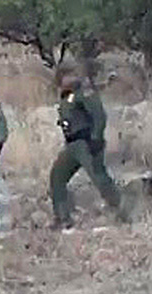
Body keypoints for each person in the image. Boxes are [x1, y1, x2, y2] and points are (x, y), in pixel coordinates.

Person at [49, 68, 128, 229]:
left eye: (69, 76)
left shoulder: (85, 92)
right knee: (57, 176)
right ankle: (62, 218)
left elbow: (99, 115)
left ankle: (123, 211)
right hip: (72, 145)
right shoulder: (68, 96)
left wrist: (96, 138)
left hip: (87, 143)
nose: (66, 81)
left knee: (99, 178)